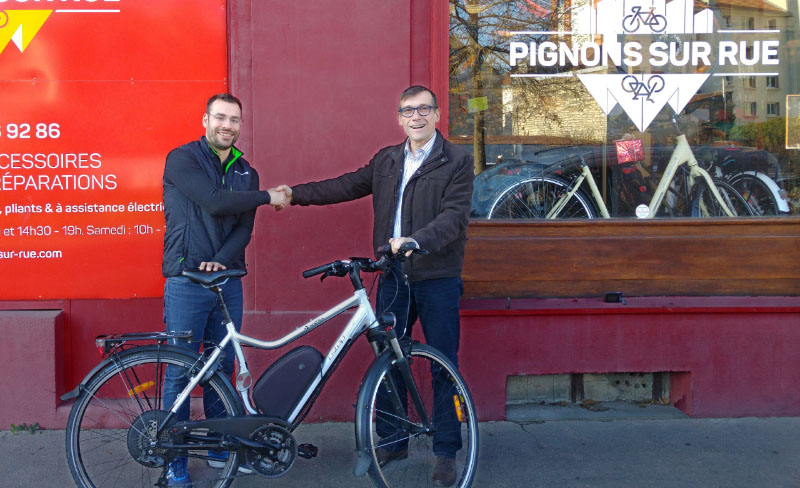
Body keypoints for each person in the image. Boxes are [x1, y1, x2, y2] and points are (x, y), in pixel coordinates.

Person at [275, 85, 473, 487]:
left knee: (442, 363)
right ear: (399, 118)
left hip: (436, 276)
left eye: (424, 109)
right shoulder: (387, 159)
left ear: (437, 115)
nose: (416, 117)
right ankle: (394, 440)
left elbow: (454, 217)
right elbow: (346, 185)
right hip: (394, 274)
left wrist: (417, 239)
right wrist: (296, 195)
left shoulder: (456, 160)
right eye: (408, 110)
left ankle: (446, 451)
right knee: (388, 360)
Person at [161, 93, 285, 486]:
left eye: (234, 119)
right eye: (220, 117)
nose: (226, 125)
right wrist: (268, 197)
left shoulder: (247, 172)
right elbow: (214, 202)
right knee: (180, 371)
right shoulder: (182, 159)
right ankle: (174, 458)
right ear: (205, 120)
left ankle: (219, 447)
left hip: (226, 280)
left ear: (240, 125)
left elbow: (244, 228)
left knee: (222, 366)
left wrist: (221, 260)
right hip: (186, 279)